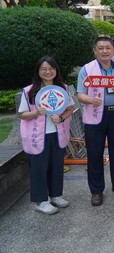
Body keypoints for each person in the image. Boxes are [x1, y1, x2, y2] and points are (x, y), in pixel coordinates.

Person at [77, 36, 114, 207]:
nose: (104, 51)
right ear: (94, 51)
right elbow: (80, 94)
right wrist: (90, 100)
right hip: (95, 117)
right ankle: (96, 191)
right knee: (95, 154)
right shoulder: (87, 69)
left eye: (108, 47)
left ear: (113, 50)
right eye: (100, 48)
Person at [19, 56, 74, 215]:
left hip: (57, 134)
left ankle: (56, 195)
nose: (47, 72)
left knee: (56, 166)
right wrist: (36, 112)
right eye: (43, 69)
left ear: (56, 70)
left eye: (51, 68)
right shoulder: (29, 91)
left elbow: (70, 109)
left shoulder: (62, 89)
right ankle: (40, 201)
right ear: (38, 71)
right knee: (38, 168)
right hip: (36, 136)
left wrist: (62, 117)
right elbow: (22, 114)